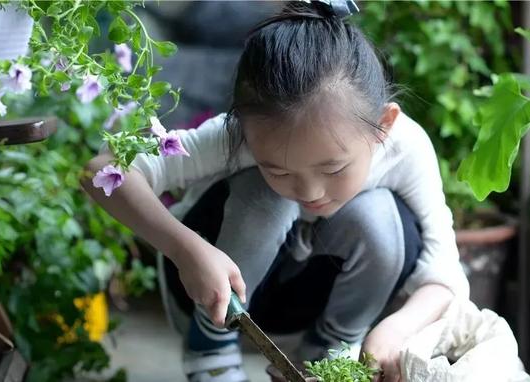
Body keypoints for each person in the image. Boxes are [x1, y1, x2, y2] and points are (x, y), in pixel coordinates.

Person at [81, 2, 469, 381]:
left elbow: (445, 275)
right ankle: (210, 347)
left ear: (384, 124)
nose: (310, 191)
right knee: (266, 196)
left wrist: (394, 331)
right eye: (277, 168)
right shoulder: (241, 137)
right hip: (212, 295)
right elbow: (103, 170)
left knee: (380, 215)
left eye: (333, 168)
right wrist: (186, 250)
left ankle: (329, 353)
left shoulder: (405, 148)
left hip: (307, 308)